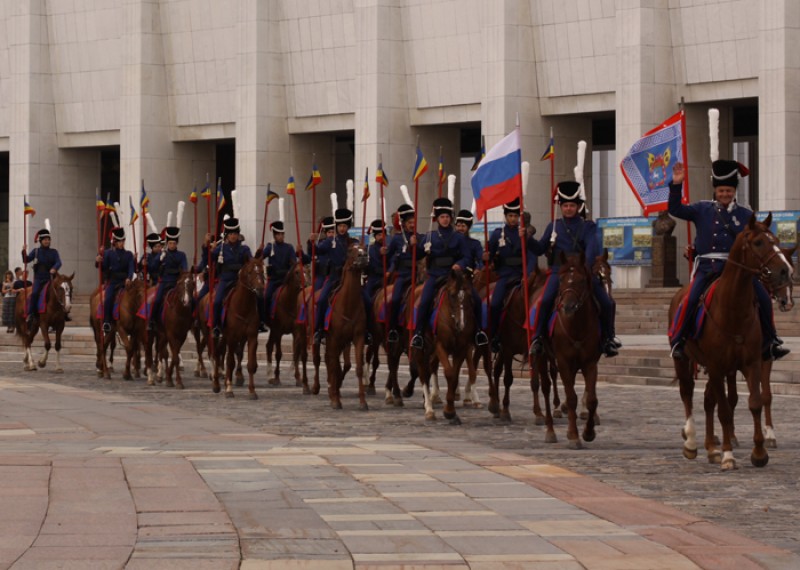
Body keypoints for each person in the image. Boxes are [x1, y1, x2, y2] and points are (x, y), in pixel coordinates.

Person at [668, 161, 789, 361]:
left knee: (765, 299)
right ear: (715, 190)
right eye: (721, 190)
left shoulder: (746, 214)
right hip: (708, 268)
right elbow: (675, 209)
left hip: (739, 271)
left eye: (729, 190)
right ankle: (678, 340)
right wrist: (676, 184)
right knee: (689, 299)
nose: (725, 194)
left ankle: (771, 341)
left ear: (734, 191)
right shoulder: (701, 209)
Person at [526, 183, 619, 358]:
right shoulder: (553, 226)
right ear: (560, 207)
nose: (568, 209)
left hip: (583, 272)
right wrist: (527, 238)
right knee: (544, 301)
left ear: (578, 207)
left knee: (607, 303)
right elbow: (539, 249)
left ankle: (608, 339)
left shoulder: (588, 226)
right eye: (565, 205)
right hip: (558, 272)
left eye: (572, 205)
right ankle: (537, 338)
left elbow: (591, 249)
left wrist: (585, 267)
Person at [411, 197, 488, 350]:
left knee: (476, 300)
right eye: (442, 217)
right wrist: (414, 245)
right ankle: (418, 333)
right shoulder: (429, 236)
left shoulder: (458, 237)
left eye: (447, 217)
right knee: (424, 301)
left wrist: (459, 264)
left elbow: (467, 257)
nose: (445, 220)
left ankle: (479, 332)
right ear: (437, 219)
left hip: (454, 277)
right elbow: (418, 255)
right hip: (435, 276)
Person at [311, 199, 354, 346]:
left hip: (349, 278)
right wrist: (312, 243)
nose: (342, 229)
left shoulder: (352, 242)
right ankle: (319, 330)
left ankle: (366, 330)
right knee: (322, 300)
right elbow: (318, 250)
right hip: (334, 278)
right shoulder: (331, 241)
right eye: (340, 226)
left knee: (366, 300)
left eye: (345, 226)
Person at [486, 199, 526, 353]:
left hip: (521, 276)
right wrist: (487, 257)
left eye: (516, 216)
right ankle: (495, 336)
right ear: (505, 216)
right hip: (505, 276)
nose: (513, 219)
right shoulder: (498, 234)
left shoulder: (523, 233)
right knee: (495, 304)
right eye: (510, 216)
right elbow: (490, 257)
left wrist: (527, 273)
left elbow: (530, 256)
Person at [385, 203, 422, 343]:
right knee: (394, 299)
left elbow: (420, 255)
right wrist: (385, 253)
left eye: (414, 222)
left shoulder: (419, 237)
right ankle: (393, 329)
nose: (412, 225)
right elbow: (389, 256)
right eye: (409, 222)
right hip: (402, 275)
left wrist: (415, 245)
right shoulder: (397, 239)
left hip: (417, 275)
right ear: (404, 224)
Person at [210, 217, 253, 338]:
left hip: (240, 281)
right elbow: (208, 261)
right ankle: (216, 326)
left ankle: (259, 322)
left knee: (256, 296)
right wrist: (208, 249)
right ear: (227, 236)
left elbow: (250, 262)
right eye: (231, 234)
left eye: (235, 234)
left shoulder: (245, 249)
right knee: (217, 301)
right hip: (225, 279)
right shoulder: (220, 249)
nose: (233, 236)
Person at [22, 223, 63, 328]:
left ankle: (63, 314)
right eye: (45, 240)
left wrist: (54, 268)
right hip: (39, 279)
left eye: (48, 239)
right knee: (35, 293)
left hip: (51, 279)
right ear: (40, 241)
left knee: (60, 292)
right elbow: (26, 260)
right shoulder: (35, 252)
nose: (47, 241)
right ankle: (31, 314)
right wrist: (23, 251)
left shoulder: (54, 252)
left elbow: (59, 262)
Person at [96, 226, 135, 332]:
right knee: (108, 299)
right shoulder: (108, 253)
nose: (121, 243)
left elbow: (131, 268)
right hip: (113, 282)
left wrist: (129, 278)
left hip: (125, 282)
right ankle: (107, 321)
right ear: (115, 242)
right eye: (119, 241)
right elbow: (103, 267)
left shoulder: (129, 254)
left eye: (123, 241)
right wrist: (99, 260)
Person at [262, 219, 299, 329]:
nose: (280, 236)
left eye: (282, 234)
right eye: (278, 234)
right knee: (266, 297)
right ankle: (265, 319)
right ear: (274, 235)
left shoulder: (289, 247)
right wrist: (259, 252)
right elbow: (259, 259)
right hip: (274, 280)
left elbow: (293, 262)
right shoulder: (270, 247)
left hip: (286, 280)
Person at [150, 225, 188, 330]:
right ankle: (152, 321)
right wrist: (159, 258)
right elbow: (152, 266)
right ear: (167, 243)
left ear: (177, 244)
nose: (172, 245)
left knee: (190, 299)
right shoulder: (163, 253)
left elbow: (185, 268)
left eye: (174, 243)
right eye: (170, 243)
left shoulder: (181, 255)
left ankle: (192, 320)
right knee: (157, 300)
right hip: (164, 282)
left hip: (176, 283)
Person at [362, 219, 386, 334]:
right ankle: (366, 326)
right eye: (379, 235)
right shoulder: (370, 249)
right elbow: (369, 266)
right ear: (375, 236)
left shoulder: (388, 248)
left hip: (387, 279)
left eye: (383, 234)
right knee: (367, 301)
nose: (381, 237)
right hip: (374, 278)